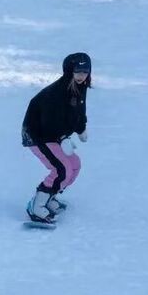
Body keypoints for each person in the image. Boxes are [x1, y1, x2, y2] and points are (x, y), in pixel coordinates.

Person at [22, 52, 91, 223]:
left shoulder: (79, 88)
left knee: (74, 165)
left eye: (85, 71)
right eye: (77, 72)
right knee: (61, 169)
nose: (81, 76)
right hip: (38, 135)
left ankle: (50, 198)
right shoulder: (57, 94)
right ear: (69, 72)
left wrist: (81, 129)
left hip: (55, 135)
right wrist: (62, 138)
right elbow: (49, 122)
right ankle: (37, 206)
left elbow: (79, 112)